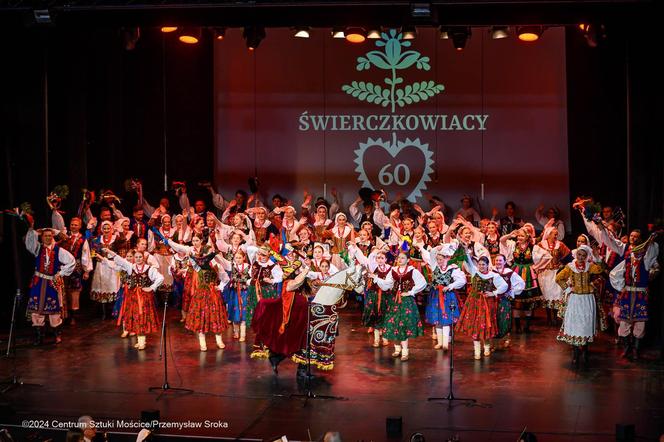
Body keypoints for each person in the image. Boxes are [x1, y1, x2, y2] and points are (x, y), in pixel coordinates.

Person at [604, 227, 660, 359]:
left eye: (636, 237)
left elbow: (653, 253)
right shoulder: (628, 260)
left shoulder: (646, 261)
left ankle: (636, 349)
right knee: (624, 321)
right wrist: (621, 286)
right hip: (628, 294)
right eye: (631, 236)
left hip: (640, 295)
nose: (638, 252)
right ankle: (627, 347)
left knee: (640, 322)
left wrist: (651, 240)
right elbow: (614, 274)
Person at [168, 234, 229, 351]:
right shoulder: (198, 266)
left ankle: (219, 340)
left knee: (215, 316)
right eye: (205, 254)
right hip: (201, 293)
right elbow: (190, 260)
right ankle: (202, 342)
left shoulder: (217, 266)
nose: (206, 256)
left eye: (208, 253)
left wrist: (220, 286)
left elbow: (225, 278)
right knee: (201, 316)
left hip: (213, 294)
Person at [555, 245, 605, 366]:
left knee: (586, 323)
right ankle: (575, 352)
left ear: (587, 256)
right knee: (575, 323)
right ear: (576, 254)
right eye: (579, 255)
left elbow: (600, 270)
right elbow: (558, 278)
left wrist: (598, 257)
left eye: (583, 255)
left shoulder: (590, 266)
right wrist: (568, 288)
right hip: (575, 299)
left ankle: (586, 350)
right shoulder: (570, 267)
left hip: (587, 298)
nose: (581, 257)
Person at [24, 226, 75, 345]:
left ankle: (57, 334)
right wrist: (32, 229)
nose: (47, 237)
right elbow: (30, 243)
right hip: (39, 282)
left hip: (51, 282)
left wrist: (61, 273)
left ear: (52, 237)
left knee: (54, 308)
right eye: (45, 236)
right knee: (36, 308)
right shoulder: (38, 249)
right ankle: (38, 337)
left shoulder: (58, 250)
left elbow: (71, 261)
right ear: (41, 237)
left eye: (50, 236)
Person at [105, 248, 164, 350]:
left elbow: (160, 278)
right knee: (135, 316)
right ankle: (140, 340)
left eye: (140, 257)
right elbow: (119, 260)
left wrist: (151, 287)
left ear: (143, 258)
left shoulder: (149, 269)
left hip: (144, 297)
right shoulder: (130, 267)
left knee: (142, 316)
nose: (138, 259)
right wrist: (109, 251)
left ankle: (142, 342)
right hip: (133, 297)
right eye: (136, 257)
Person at [373, 251, 427, 361]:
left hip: (406, 301)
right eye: (399, 258)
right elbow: (387, 284)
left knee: (403, 325)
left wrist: (411, 292)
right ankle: (397, 349)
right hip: (394, 301)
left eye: (403, 258)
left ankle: (405, 351)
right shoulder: (393, 270)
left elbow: (422, 283)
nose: (400, 260)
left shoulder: (412, 271)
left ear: (408, 260)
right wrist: (377, 279)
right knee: (394, 324)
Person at [456, 255, 508, 360]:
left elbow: (504, 286)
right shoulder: (474, 272)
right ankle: (477, 351)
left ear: (488, 265)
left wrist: (494, 293)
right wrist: (466, 251)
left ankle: (487, 347)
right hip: (474, 303)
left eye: (483, 264)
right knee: (476, 326)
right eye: (479, 264)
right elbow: (468, 261)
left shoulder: (494, 275)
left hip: (486, 304)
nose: (481, 266)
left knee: (485, 325)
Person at [420, 243, 466, 350]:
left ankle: (445, 343)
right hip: (435, 295)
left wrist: (450, 286)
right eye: (438, 259)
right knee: (437, 318)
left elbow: (462, 281)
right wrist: (437, 248)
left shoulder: (452, 269)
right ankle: (440, 342)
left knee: (446, 318)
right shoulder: (435, 266)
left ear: (446, 258)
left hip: (447, 296)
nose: (438, 261)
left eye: (441, 259)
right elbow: (431, 253)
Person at [500, 227, 541, 333]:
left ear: (527, 237)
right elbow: (502, 240)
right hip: (516, 272)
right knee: (516, 300)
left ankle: (527, 325)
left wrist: (537, 267)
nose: (519, 238)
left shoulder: (533, 247)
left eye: (522, 236)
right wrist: (510, 235)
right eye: (518, 236)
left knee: (528, 301)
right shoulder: (513, 245)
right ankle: (517, 326)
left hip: (528, 274)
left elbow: (547, 257)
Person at [350, 246, 393, 347]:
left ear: (386, 259)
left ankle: (385, 338)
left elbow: (390, 283)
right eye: (378, 258)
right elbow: (362, 257)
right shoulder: (373, 267)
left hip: (385, 296)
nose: (380, 260)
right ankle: (377, 339)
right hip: (374, 295)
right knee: (376, 316)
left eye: (382, 258)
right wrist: (355, 247)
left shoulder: (390, 269)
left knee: (385, 316)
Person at [533, 223, 571, 325]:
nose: (556, 236)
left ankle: (555, 316)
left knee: (556, 294)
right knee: (547, 294)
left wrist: (562, 265)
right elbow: (535, 258)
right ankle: (549, 317)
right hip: (545, 274)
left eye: (557, 234)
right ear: (548, 234)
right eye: (554, 234)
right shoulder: (541, 245)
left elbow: (568, 257)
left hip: (556, 272)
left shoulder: (560, 245)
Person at [492, 254, 525, 349]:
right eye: (497, 260)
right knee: (494, 318)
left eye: (500, 260)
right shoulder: (491, 271)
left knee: (504, 318)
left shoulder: (509, 272)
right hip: (493, 299)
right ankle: (494, 342)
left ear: (504, 262)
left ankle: (506, 338)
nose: (498, 262)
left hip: (504, 300)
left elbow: (521, 283)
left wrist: (511, 292)